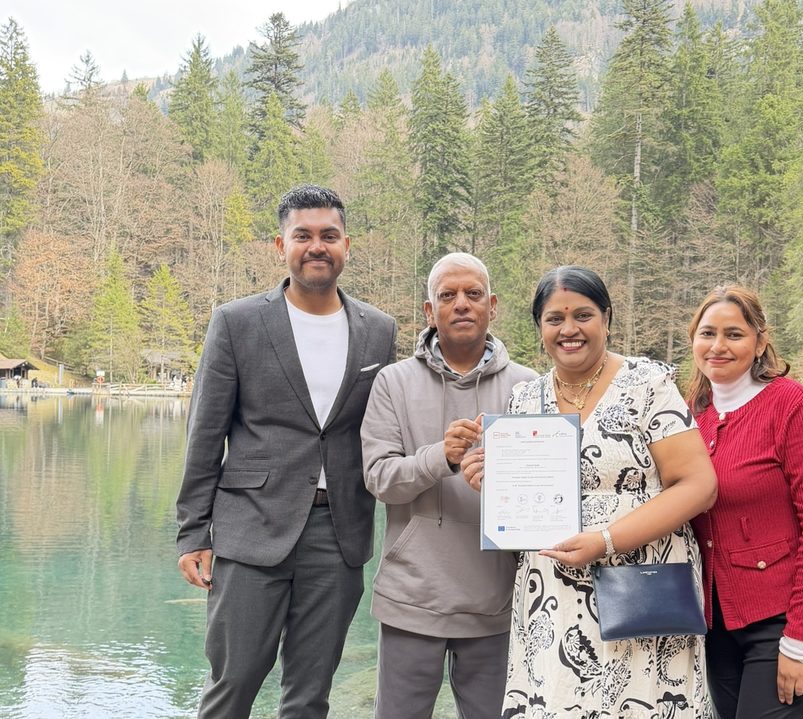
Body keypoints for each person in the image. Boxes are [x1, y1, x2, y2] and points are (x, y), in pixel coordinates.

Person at [175, 184, 397, 718]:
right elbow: (205, 434)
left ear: (347, 246)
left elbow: (385, 428)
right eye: (303, 236)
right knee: (232, 684)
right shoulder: (237, 322)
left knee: (310, 694)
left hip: (339, 534)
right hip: (250, 529)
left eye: (329, 236)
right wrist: (193, 532)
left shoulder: (378, 330)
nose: (316, 246)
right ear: (281, 246)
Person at [461, 265, 718, 719]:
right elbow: (526, 496)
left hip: (642, 587)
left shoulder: (647, 384)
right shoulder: (525, 399)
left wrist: (606, 540)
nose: (569, 329)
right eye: (554, 319)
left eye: (583, 315)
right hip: (552, 594)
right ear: (540, 327)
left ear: (606, 318)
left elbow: (699, 486)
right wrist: (490, 481)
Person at [360, 252, 536, 719]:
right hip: (411, 596)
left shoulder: (529, 387)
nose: (461, 304)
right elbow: (379, 479)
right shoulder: (392, 382)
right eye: (447, 295)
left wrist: (502, 485)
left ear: (492, 306)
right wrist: (441, 457)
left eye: (473, 294)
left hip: (498, 598)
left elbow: (543, 499)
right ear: (429, 310)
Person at [685, 285, 803, 719]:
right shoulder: (689, 414)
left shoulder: (796, 408)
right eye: (707, 333)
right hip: (720, 622)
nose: (718, 346)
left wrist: (801, 640)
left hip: (796, 616)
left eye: (734, 334)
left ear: (760, 341)